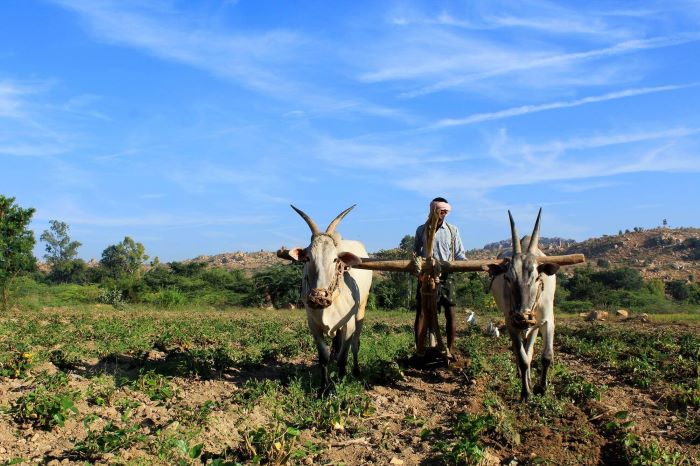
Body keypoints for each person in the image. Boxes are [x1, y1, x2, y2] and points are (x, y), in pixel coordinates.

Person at [413, 197, 466, 358]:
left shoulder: (452, 230)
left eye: (445, 211)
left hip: (446, 277)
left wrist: (464, 265)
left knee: (450, 313)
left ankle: (450, 350)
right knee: (422, 313)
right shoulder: (421, 230)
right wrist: (419, 272)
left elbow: (459, 254)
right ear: (433, 210)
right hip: (425, 277)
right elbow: (415, 253)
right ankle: (420, 351)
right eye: (440, 210)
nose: (443, 214)